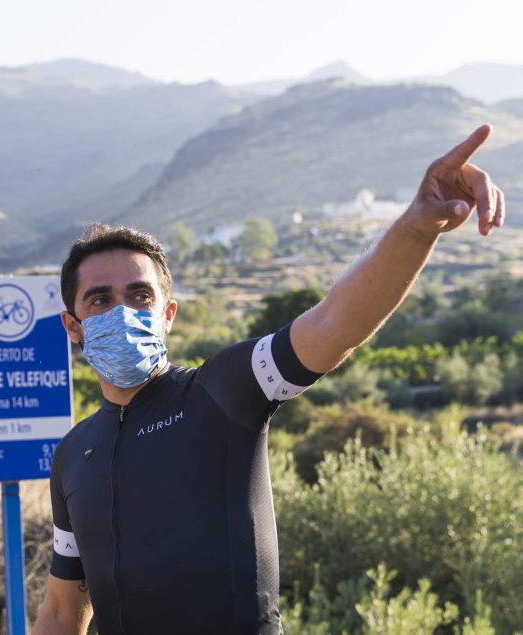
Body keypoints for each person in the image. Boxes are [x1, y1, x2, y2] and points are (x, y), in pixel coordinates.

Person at [32, 126, 504, 635]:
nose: (122, 312)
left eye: (140, 296)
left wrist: (418, 225)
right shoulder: (74, 453)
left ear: (168, 314)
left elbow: (333, 324)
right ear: (73, 326)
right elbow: (61, 615)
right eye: (100, 300)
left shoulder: (222, 391)